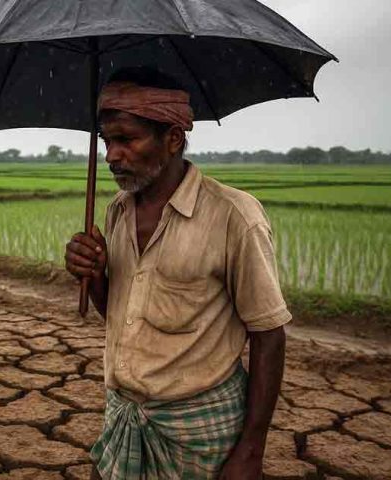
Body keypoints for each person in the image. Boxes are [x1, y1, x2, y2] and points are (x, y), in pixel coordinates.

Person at [65, 68, 290, 480]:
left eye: (127, 139)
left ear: (172, 139)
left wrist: (251, 450)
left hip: (200, 428)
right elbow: (121, 313)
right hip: (123, 415)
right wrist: (94, 275)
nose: (112, 155)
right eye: (107, 141)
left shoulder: (234, 216)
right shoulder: (118, 209)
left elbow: (269, 335)